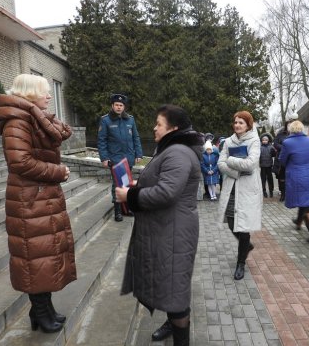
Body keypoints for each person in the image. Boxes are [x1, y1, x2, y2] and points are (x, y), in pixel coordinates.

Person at [0, 74, 76, 333]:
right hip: (29, 200)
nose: (49, 96)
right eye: (44, 92)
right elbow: (20, 162)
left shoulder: (33, 118)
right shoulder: (18, 121)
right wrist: (58, 171)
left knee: (45, 256)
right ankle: (40, 312)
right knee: (35, 257)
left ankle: (42, 310)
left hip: (40, 197)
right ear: (29, 94)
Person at [115, 105, 203, 345]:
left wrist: (130, 197)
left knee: (174, 288)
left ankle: (180, 337)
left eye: (159, 124)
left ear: (173, 129)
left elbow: (167, 192)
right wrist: (137, 187)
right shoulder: (173, 149)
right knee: (171, 285)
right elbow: (162, 182)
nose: (154, 128)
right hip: (168, 228)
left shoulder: (178, 153)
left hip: (173, 232)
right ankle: (172, 324)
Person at [218, 111, 263, 280]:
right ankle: (247, 246)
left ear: (248, 125)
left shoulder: (254, 141)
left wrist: (231, 161)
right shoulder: (228, 141)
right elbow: (220, 163)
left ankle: (240, 263)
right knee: (231, 223)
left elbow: (251, 165)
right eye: (236, 122)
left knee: (243, 227)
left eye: (241, 123)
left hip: (248, 190)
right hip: (232, 188)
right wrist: (236, 172)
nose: (237, 125)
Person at [97, 94, 143, 221]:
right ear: (112, 106)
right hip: (115, 158)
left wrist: (138, 153)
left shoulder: (130, 120)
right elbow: (102, 141)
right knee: (117, 184)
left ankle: (126, 209)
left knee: (127, 183)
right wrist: (104, 158)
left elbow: (136, 137)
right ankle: (118, 211)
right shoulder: (105, 120)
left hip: (128, 157)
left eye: (121, 105)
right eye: (116, 105)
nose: (118, 107)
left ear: (124, 107)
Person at [279, 120, 309, 245]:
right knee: (304, 201)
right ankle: (298, 222)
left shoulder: (287, 142)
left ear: (291, 129)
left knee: (306, 206)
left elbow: (282, 160)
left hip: (296, 176)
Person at [272, 112, 298, 201]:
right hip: (281, 159)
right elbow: (275, 144)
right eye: (289, 124)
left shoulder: (296, 135)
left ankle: (290, 193)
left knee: (291, 177)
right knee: (281, 177)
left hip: (292, 160)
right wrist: (284, 147)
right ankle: (283, 194)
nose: (290, 126)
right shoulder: (280, 134)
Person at [259, 133, 276, 197]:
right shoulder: (260, 147)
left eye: (266, 140)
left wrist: (274, 152)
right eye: (263, 140)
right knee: (263, 179)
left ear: (268, 140)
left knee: (270, 179)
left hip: (269, 166)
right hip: (262, 166)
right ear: (261, 140)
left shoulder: (271, 147)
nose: (264, 141)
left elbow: (274, 155)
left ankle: (271, 191)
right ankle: (264, 191)